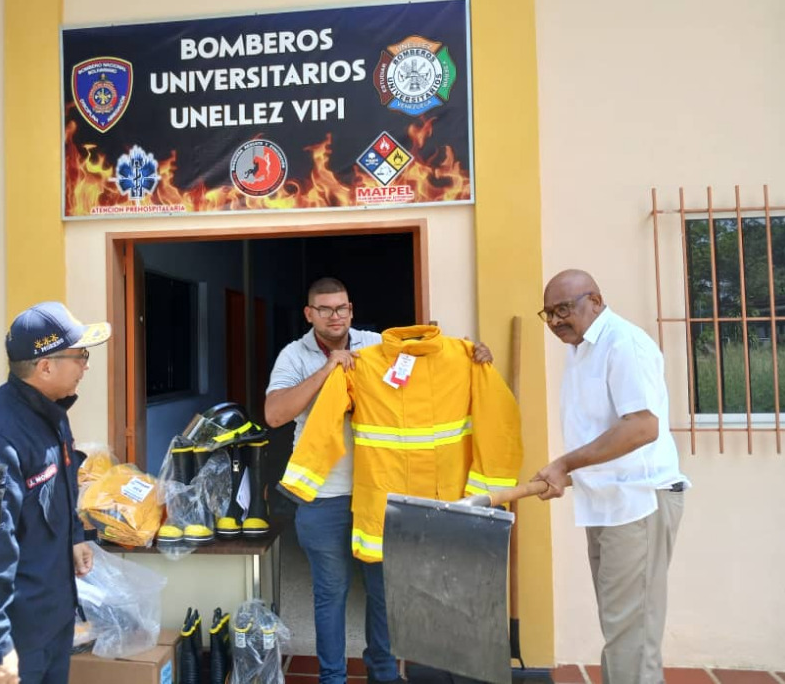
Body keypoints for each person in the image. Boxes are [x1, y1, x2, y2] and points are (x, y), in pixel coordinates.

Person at [264, 277, 492, 684]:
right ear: (309, 314)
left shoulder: (375, 346)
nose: (335, 316)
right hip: (324, 495)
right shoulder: (294, 356)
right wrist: (329, 370)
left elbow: (430, 369)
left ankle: (383, 674)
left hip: (380, 491)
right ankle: (332, 677)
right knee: (330, 594)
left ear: (351, 309)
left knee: (384, 592)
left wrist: (468, 356)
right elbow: (275, 415)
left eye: (342, 308)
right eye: (325, 309)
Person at [531, 269, 688, 684]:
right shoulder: (582, 349)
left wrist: (565, 465)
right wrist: (570, 472)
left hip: (639, 501)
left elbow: (642, 426)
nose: (556, 321)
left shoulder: (624, 344)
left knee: (631, 632)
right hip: (605, 502)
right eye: (548, 314)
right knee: (621, 626)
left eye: (564, 308)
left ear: (596, 300)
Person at [0, 301, 111, 684]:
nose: (86, 365)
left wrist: (74, 537)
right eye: (80, 355)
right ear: (46, 366)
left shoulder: (49, 414)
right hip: (14, 637)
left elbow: (58, 486)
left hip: (50, 621)